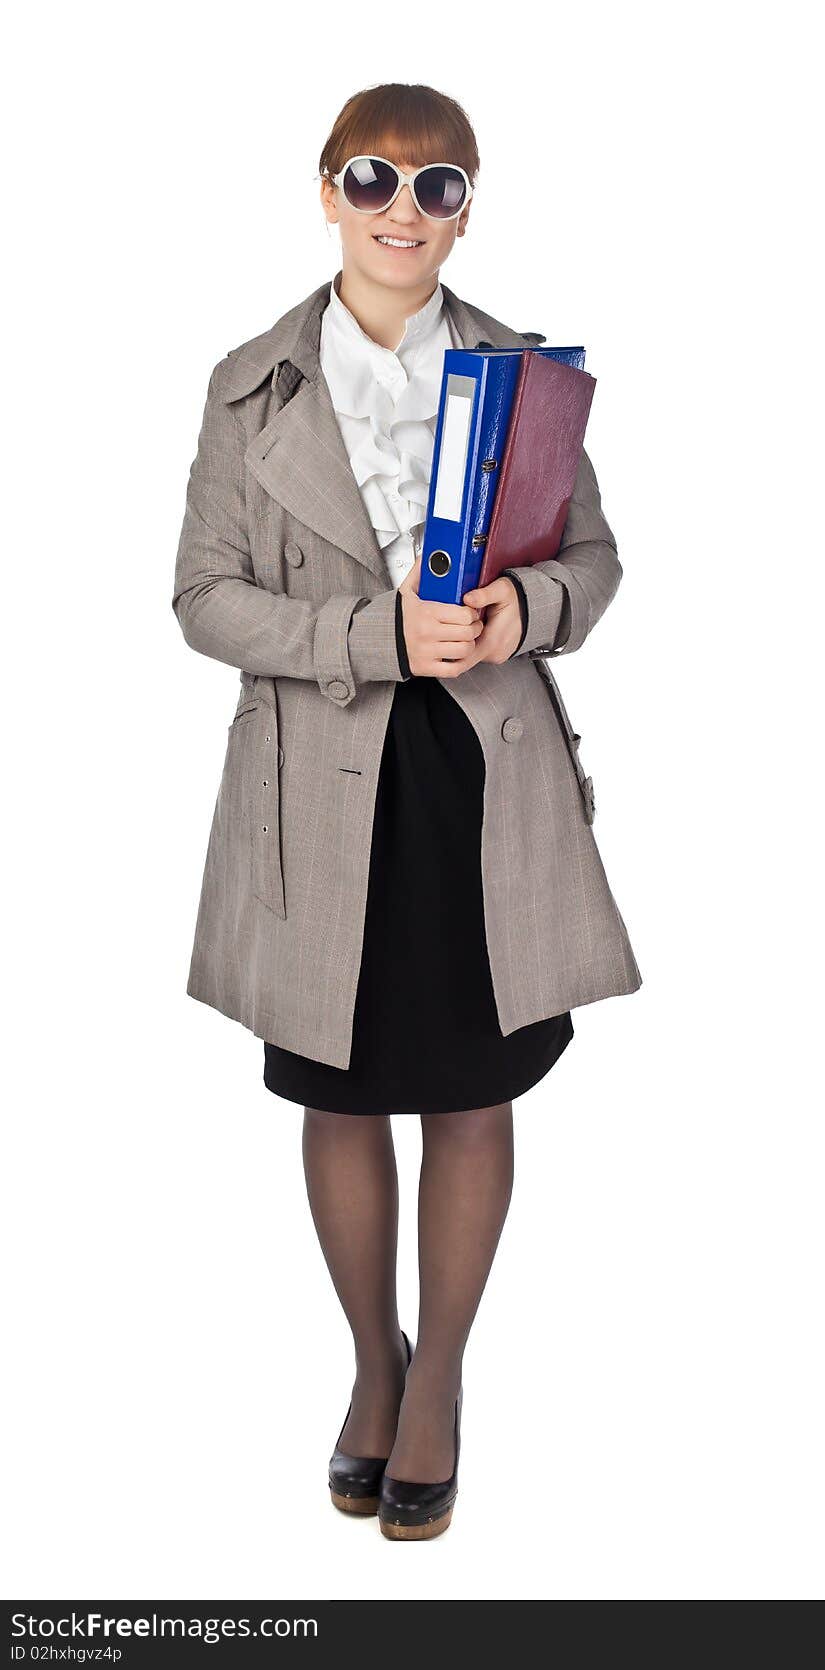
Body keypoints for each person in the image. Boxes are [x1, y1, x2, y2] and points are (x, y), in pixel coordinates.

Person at [172, 82, 641, 1541]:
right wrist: (369, 635)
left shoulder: (517, 373)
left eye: (436, 187)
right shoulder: (251, 381)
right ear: (326, 192)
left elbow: (596, 559)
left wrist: (523, 607)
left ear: (464, 209)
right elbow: (202, 599)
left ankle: (436, 1376)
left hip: (478, 776)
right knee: (337, 1084)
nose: (400, 208)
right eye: (372, 177)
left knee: (472, 1084)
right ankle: (368, 1361)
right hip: (320, 778)